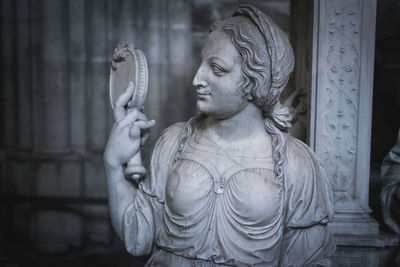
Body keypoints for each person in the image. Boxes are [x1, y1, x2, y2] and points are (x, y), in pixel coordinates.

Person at [104, 5, 336, 266]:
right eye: (201, 62)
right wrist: (114, 165)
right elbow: (138, 235)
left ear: (254, 81)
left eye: (216, 68)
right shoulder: (173, 142)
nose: (197, 78)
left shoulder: (296, 163)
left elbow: (310, 259)